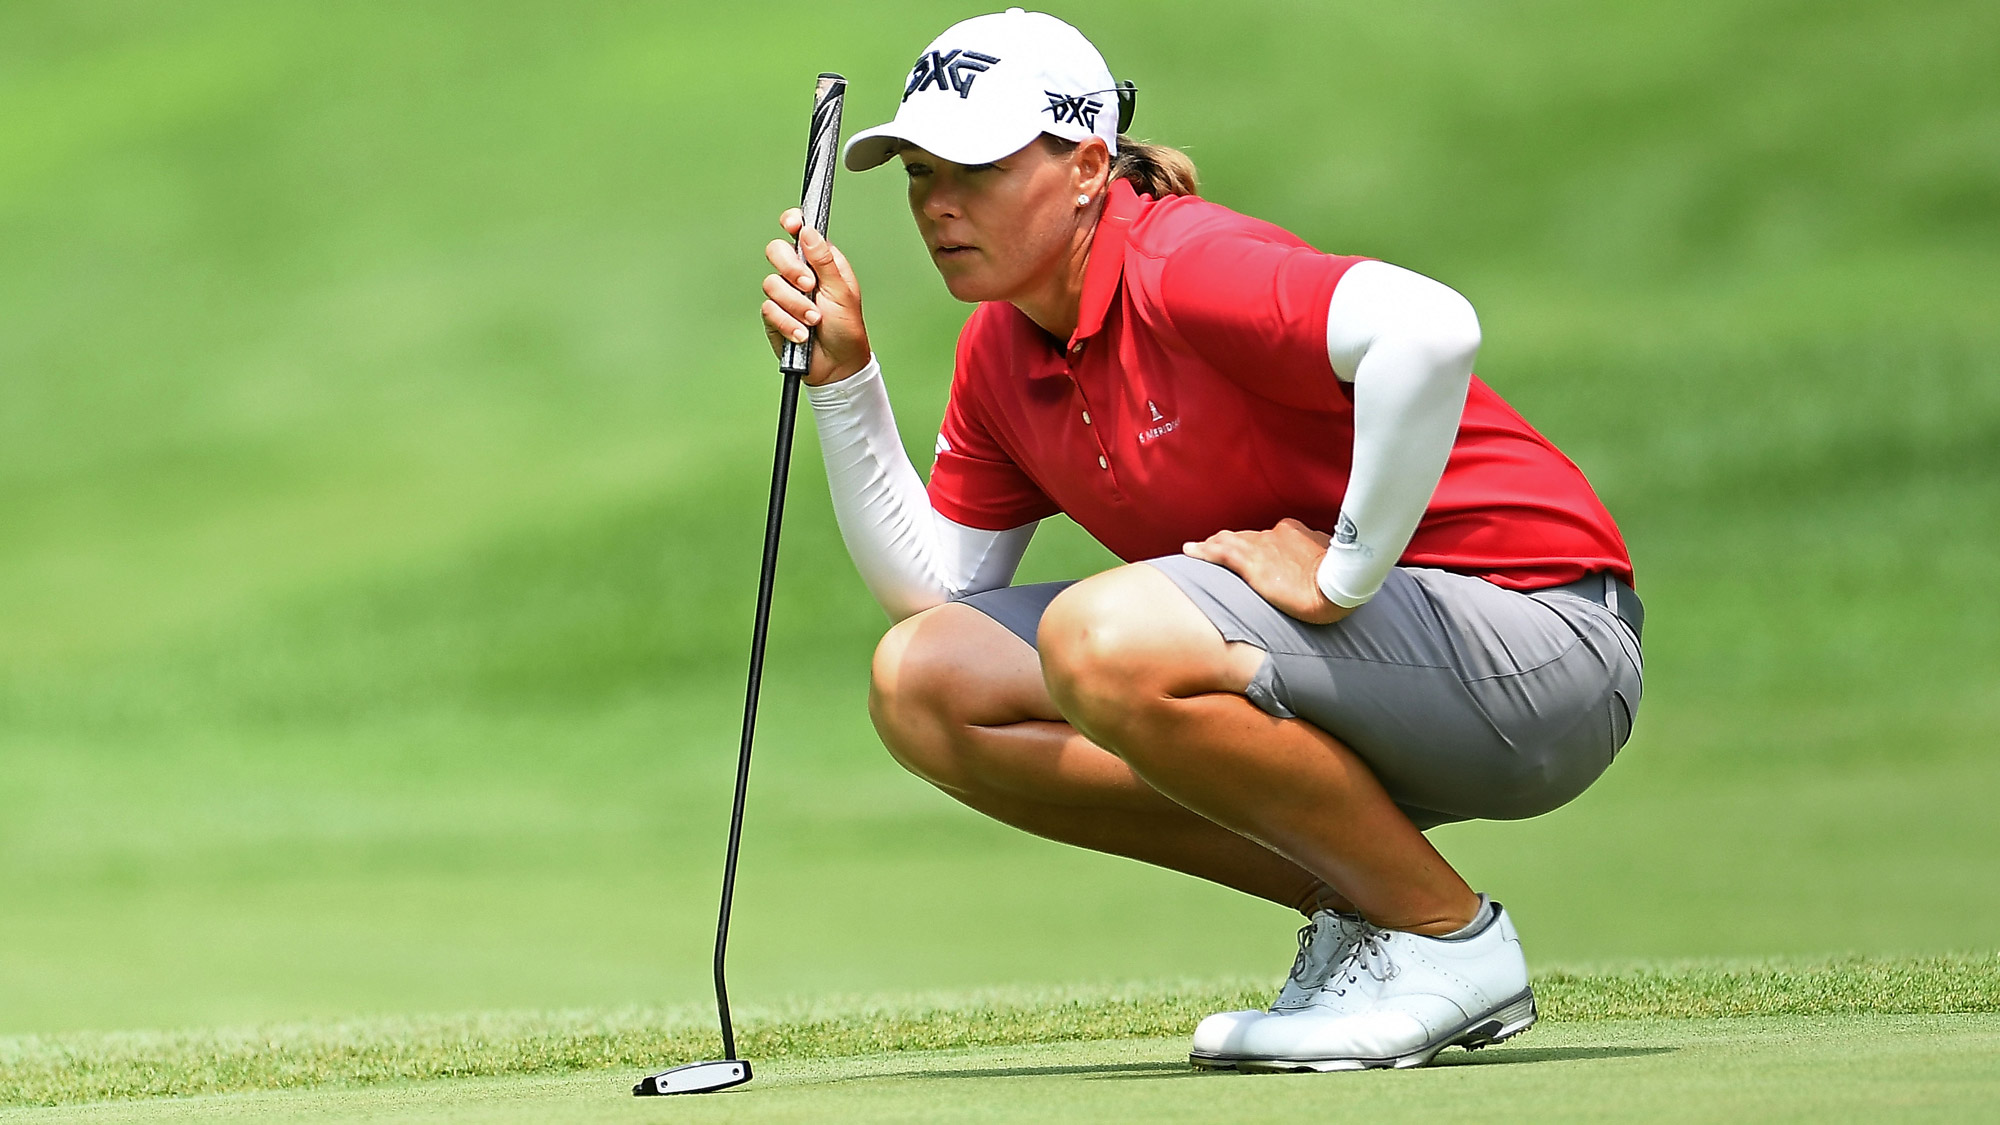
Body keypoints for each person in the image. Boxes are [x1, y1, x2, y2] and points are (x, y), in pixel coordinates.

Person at [758, 8, 1642, 1073]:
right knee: (922, 685)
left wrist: (1345, 567)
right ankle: (1373, 919)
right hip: (1371, 674)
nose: (936, 205)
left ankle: (1448, 943)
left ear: (1088, 165)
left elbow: (1429, 327)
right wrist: (845, 379)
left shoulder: (1184, 260)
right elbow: (937, 593)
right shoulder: (1002, 346)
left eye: (975, 169)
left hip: (1543, 645)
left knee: (1099, 636)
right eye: (915, 172)